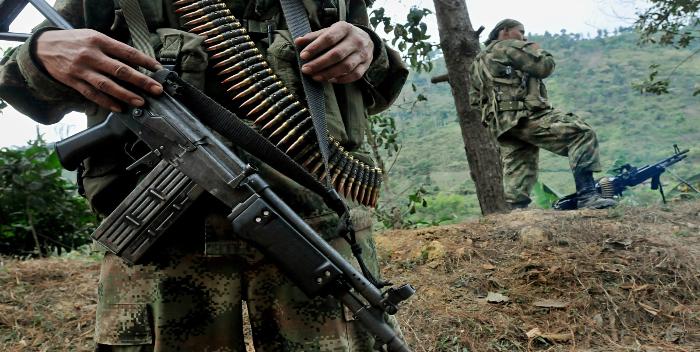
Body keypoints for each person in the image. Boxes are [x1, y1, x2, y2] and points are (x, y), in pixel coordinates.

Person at [0, 0, 408, 350]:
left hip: (312, 228)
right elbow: (15, 77)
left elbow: (374, 87)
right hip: (161, 242)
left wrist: (366, 49)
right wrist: (40, 54)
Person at [469, 18, 617, 210]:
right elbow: (544, 66)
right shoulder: (508, 47)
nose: (523, 36)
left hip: (503, 125)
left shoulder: (478, 62)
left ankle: (516, 211)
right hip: (523, 116)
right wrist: (534, 48)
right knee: (581, 134)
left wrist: (499, 114)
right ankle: (588, 196)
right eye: (520, 31)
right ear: (504, 31)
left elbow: (474, 101)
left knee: (520, 163)